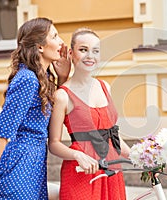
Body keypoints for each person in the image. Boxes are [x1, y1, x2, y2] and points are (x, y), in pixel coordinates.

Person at [48, 27, 131, 200]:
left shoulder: (104, 87)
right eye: (83, 50)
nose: (90, 56)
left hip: (112, 173)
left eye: (95, 51)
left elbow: (114, 137)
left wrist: (144, 156)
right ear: (71, 53)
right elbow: (54, 144)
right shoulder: (62, 95)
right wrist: (78, 155)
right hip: (81, 172)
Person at [0, 17, 71, 199]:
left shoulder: (41, 78)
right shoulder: (27, 79)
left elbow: (53, 119)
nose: (61, 42)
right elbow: (2, 133)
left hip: (33, 166)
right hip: (18, 167)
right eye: (55, 36)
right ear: (40, 46)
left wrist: (62, 79)